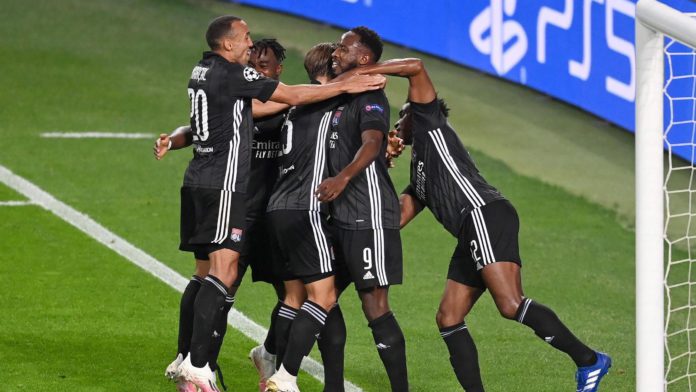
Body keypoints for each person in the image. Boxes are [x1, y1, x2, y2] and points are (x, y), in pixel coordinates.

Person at [156, 15, 385, 392]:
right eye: (245, 40)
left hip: (223, 193)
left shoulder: (205, 71)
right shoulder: (239, 78)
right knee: (222, 275)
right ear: (227, 44)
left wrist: (176, 139)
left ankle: (198, 363)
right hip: (227, 190)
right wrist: (350, 84)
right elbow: (292, 95)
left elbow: (220, 118)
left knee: (227, 278)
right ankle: (196, 364)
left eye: (263, 63)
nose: (249, 48)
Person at [354, 57, 612, 392]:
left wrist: (363, 72)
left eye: (402, 115)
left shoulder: (432, 126)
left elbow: (415, 67)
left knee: (510, 304)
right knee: (449, 317)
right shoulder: (419, 176)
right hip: (470, 230)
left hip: (484, 214)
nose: (397, 123)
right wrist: (380, 164)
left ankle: (589, 361)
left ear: (416, 113)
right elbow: (393, 219)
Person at [313, 27, 408, 392]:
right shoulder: (343, 92)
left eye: (344, 47)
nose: (336, 51)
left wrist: (343, 178)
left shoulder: (371, 95)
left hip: (367, 215)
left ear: (364, 58)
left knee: (375, 305)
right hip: (338, 216)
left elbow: (372, 143)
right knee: (322, 296)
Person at [263, 42, 350, 392]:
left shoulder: (295, 107)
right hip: (305, 208)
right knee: (324, 297)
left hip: (278, 209)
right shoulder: (327, 102)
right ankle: (284, 375)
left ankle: (269, 355)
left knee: (294, 296)